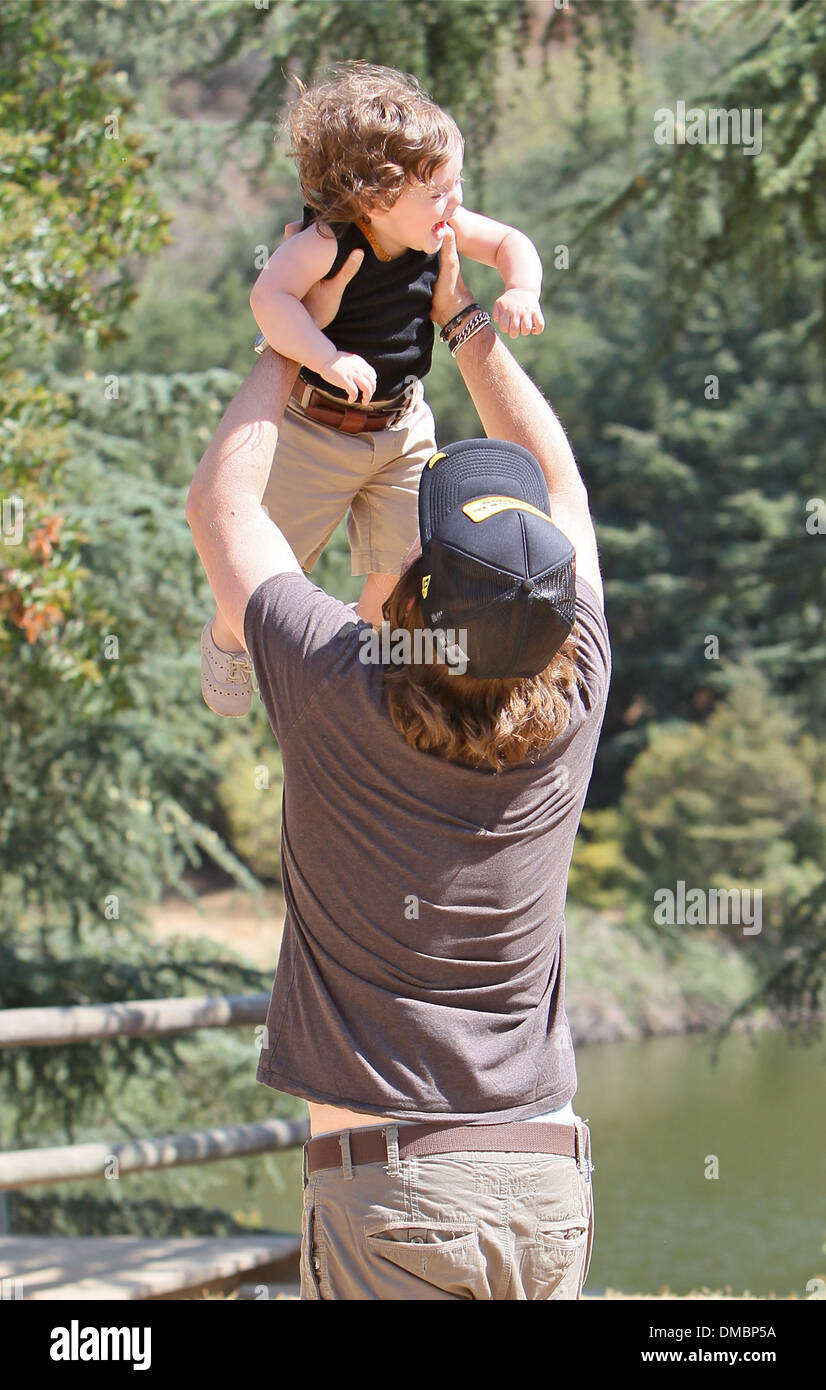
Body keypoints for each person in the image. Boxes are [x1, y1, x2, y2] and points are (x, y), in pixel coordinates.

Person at [186, 223, 610, 1300]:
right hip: (546, 1184)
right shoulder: (578, 687)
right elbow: (565, 491)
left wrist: (292, 339)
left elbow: (225, 509)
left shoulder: (335, 684)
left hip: (399, 1193)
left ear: (411, 603)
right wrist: (464, 322)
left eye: (415, 549)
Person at [200, 61, 544, 717]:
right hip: (316, 429)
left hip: (402, 426)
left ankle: (366, 657)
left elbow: (508, 242)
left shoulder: (436, 227)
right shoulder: (326, 242)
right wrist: (323, 353)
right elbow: (268, 298)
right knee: (266, 565)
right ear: (376, 200)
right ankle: (227, 638)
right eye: (439, 191)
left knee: (407, 566)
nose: (456, 204)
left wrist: (521, 287)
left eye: (456, 186)